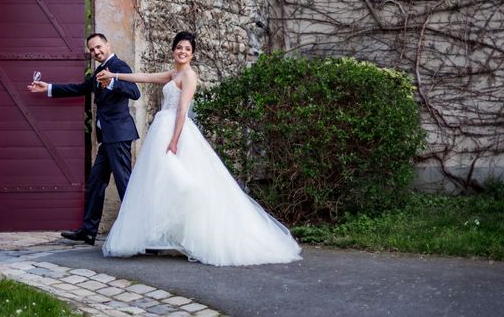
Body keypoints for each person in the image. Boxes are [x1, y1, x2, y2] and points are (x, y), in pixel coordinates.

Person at [96, 31, 302, 266]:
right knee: (163, 183)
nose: (182, 52)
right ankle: (168, 236)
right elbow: (144, 76)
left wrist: (174, 140)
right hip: (162, 130)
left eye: (187, 49)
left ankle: (195, 236)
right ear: (173, 49)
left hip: (177, 132)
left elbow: (182, 110)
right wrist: (115, 75)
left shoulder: (189, 76)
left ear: (192, 54)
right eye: (179, 47)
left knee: (185, 184)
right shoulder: (173, 73)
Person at [28, 33, 140, 245]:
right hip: (107, 138)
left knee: (124, 183)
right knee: (96, 182)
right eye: (92, 50)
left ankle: (139, 233)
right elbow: (80, 88)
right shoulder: (99, 70)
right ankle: (89, 232)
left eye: (99, 47)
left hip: (118, 135)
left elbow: (135, 92)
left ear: (107, 45)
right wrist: (48, 87)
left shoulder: (119, 66)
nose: (96, 52)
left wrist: (113, 81)